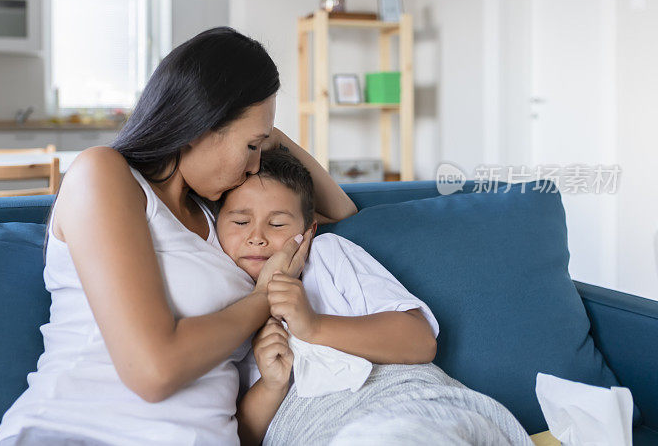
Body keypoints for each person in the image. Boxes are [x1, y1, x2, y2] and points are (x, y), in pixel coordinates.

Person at [0, 27, 357, 445]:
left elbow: (337, 210)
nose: (257, 165)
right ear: (203, 123)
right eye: (252, 147)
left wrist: (271, 135)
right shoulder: (106, 176)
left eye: (262, 147)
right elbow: (154, 371)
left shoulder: (221, 216)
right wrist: (265, 297)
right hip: (79, 432)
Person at [215, 149, 531, 446]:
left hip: (410, 400)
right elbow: (236, 436)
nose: (256, 237)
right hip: (317, 428)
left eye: (278, 224)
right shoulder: (219, 297)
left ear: (309, 231)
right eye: (240, 222)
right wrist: (271, 385)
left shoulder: (327, 255)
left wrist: (314, 326)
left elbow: (421, 342)